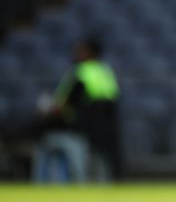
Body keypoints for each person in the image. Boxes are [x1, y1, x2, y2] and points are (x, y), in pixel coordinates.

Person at [32, 38, 120, 182]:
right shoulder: (106, 71)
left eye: (81, 50)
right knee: (101, 161)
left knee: (41, 132)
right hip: (105, 128)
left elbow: (62, 103)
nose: (76, 53)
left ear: (89, 52)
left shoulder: (80, 73)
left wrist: (45, 113)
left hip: (79, 127)